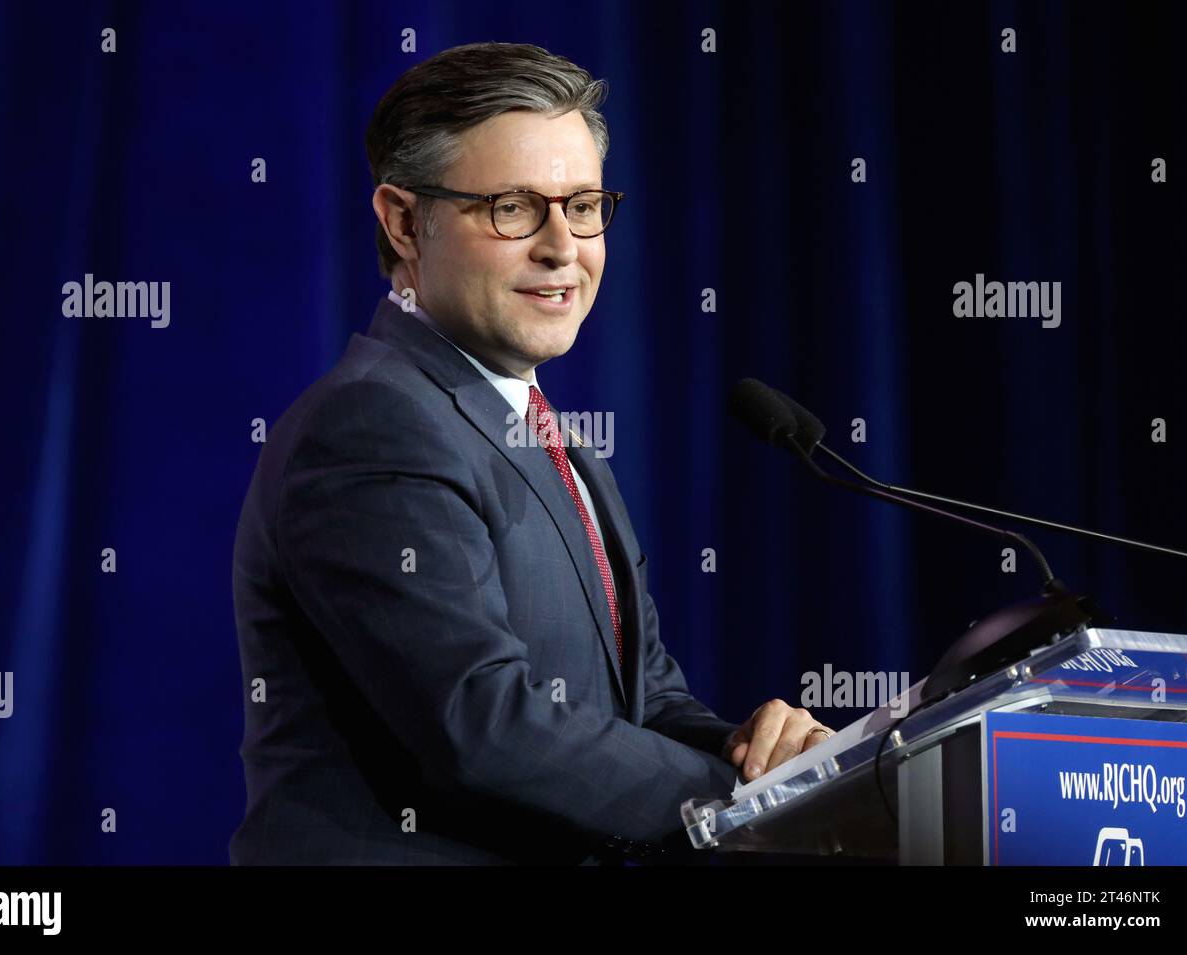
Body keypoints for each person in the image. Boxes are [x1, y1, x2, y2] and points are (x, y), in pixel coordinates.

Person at [230, 41, 832, 865]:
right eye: (514, 207)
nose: (562, 246)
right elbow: (480, 723)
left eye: (583, 205)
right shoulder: (373, 423)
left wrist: (774, 759)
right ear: (405, 222)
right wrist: (746, 804)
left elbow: (643, 699)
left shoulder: (553, 437)